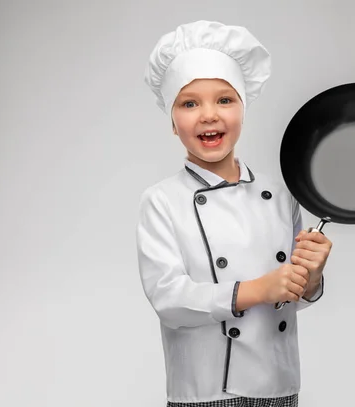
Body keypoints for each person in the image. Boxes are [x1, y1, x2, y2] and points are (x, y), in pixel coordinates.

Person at [136, 20, 333, 406]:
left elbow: (291, 299)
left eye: (224, 100)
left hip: (280, 384)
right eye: (189, 103)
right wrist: (257, 289)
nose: (209, 115)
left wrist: (310, 279)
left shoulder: (281, 195)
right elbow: (169, 299)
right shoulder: (162, 200)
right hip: (204, 390)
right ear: (173, 122)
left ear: (243, 108)